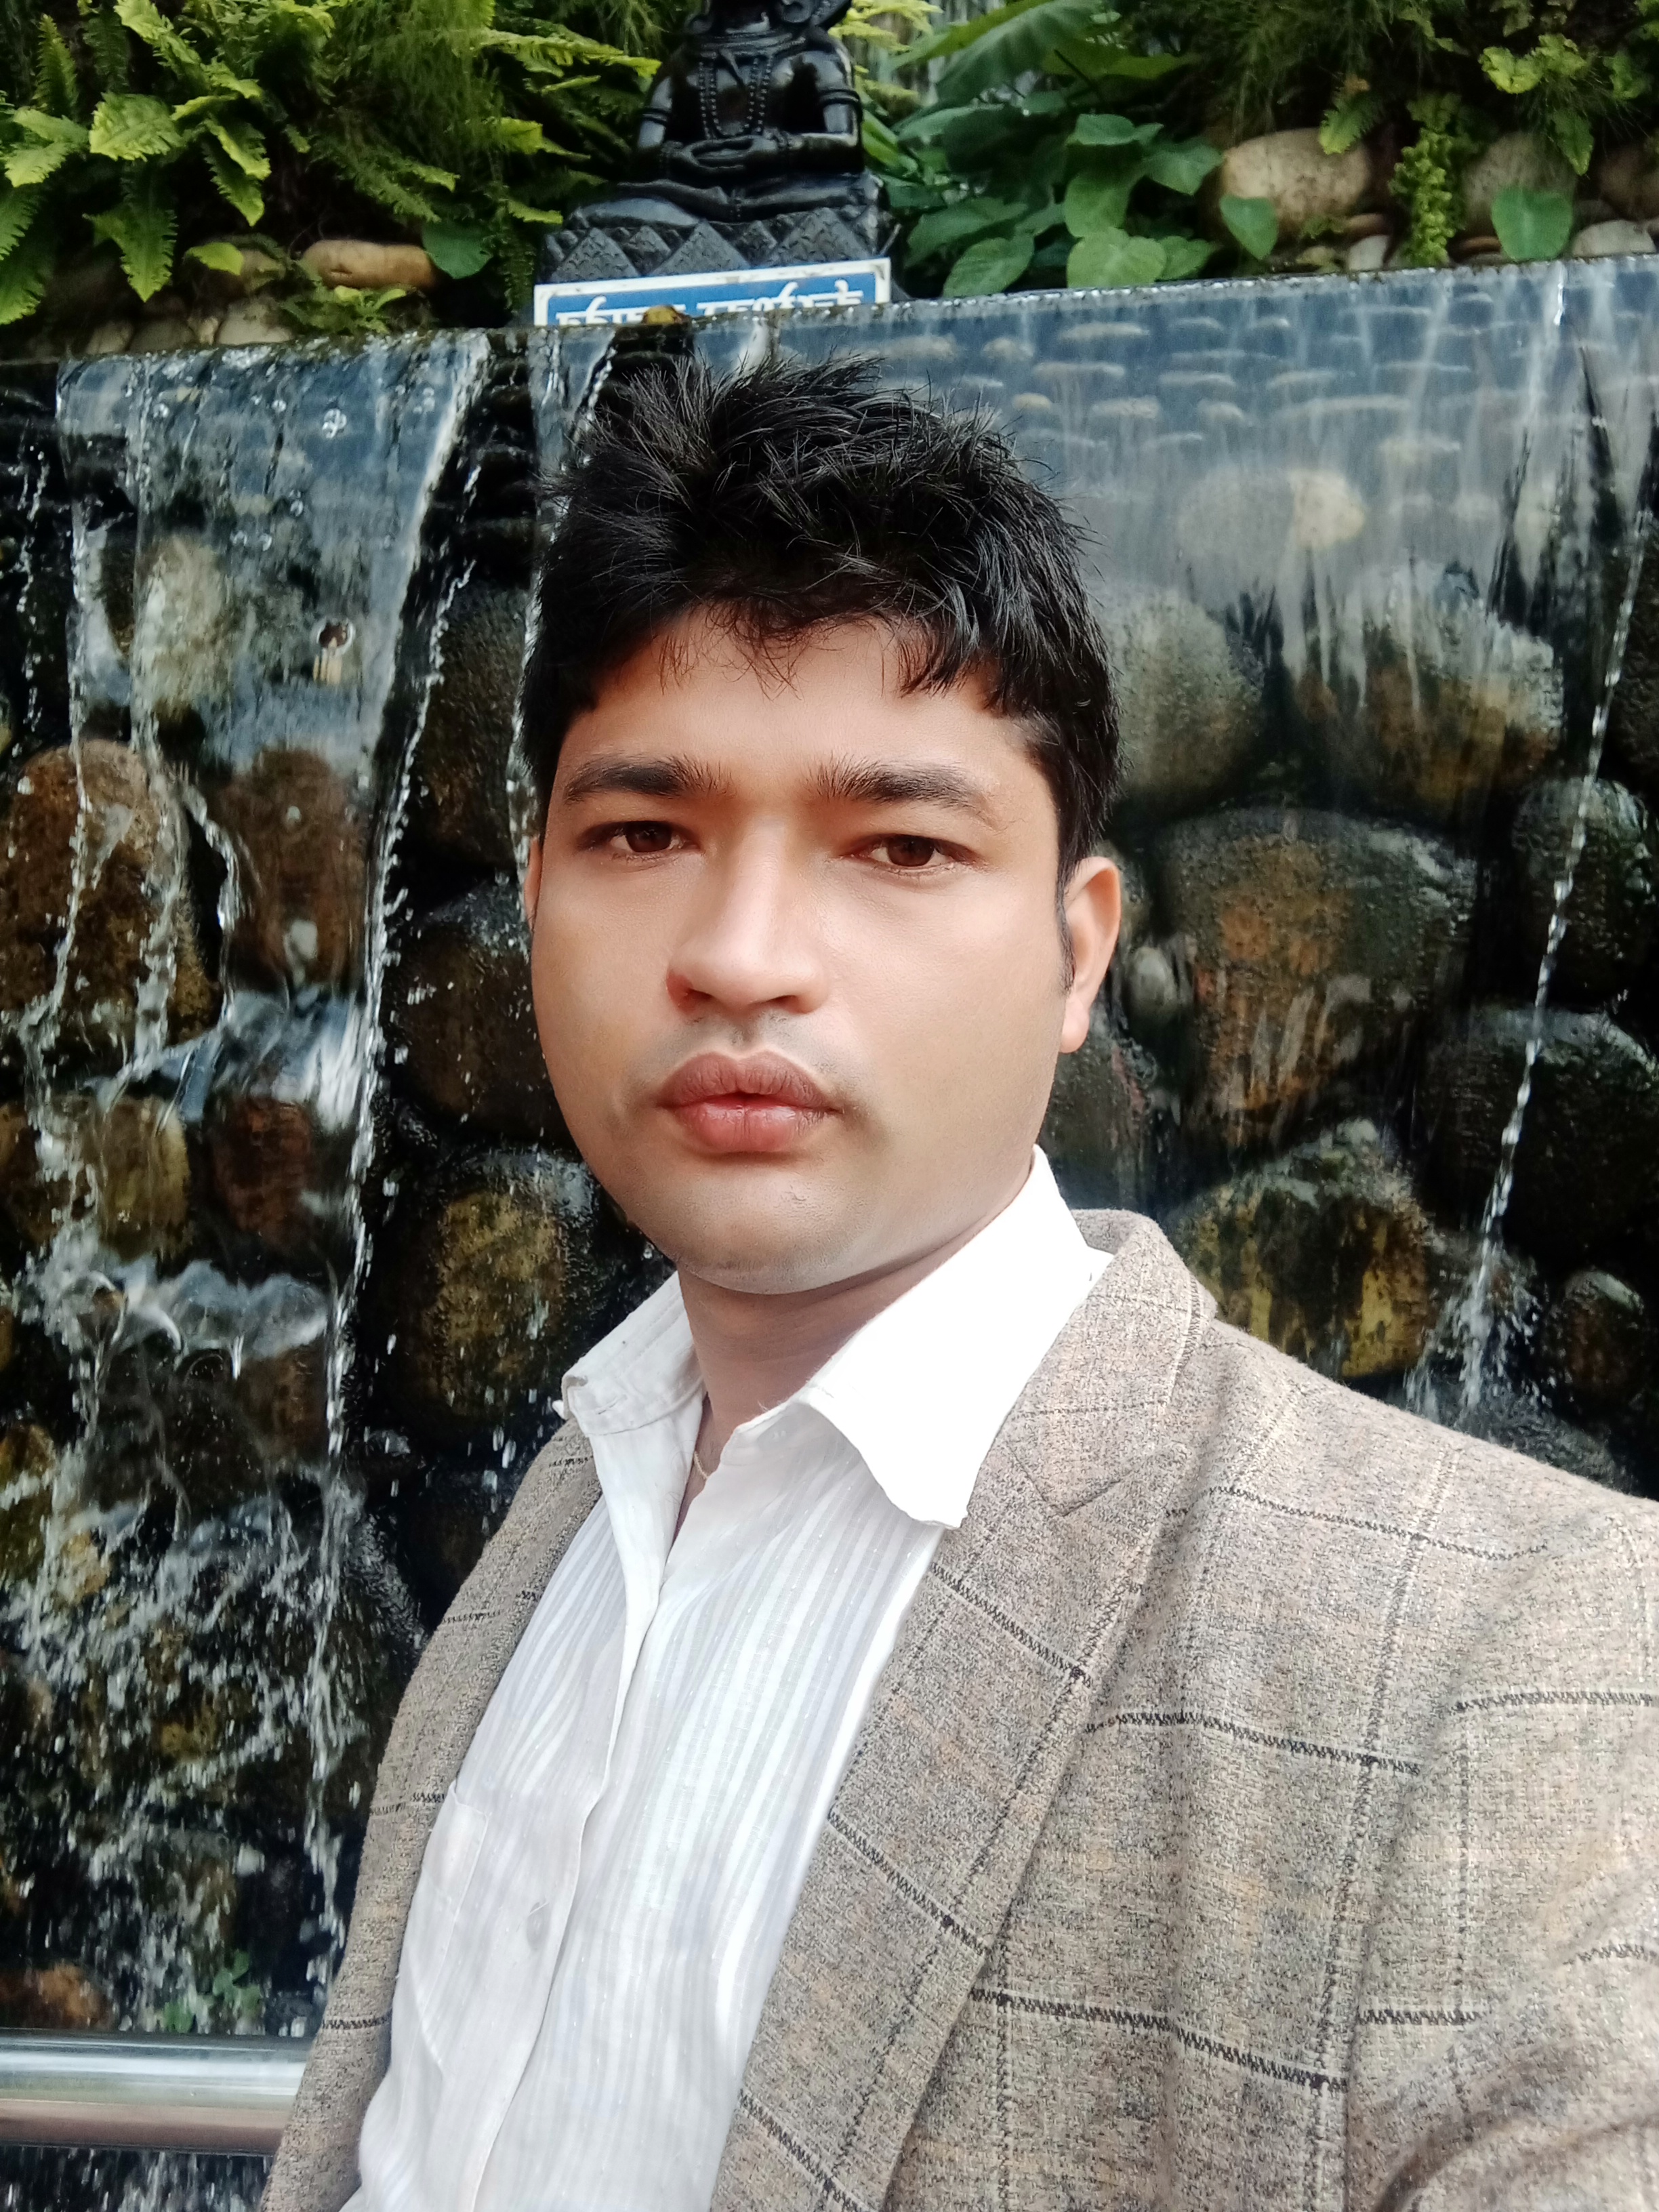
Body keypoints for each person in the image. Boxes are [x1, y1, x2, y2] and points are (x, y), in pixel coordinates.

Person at [265, 354, 1659, 2212]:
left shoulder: (1516, 1652)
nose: (742, 955)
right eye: (644, 835)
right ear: (532, 895)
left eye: (902, 847)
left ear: (1079, 955)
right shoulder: (566, 1522)